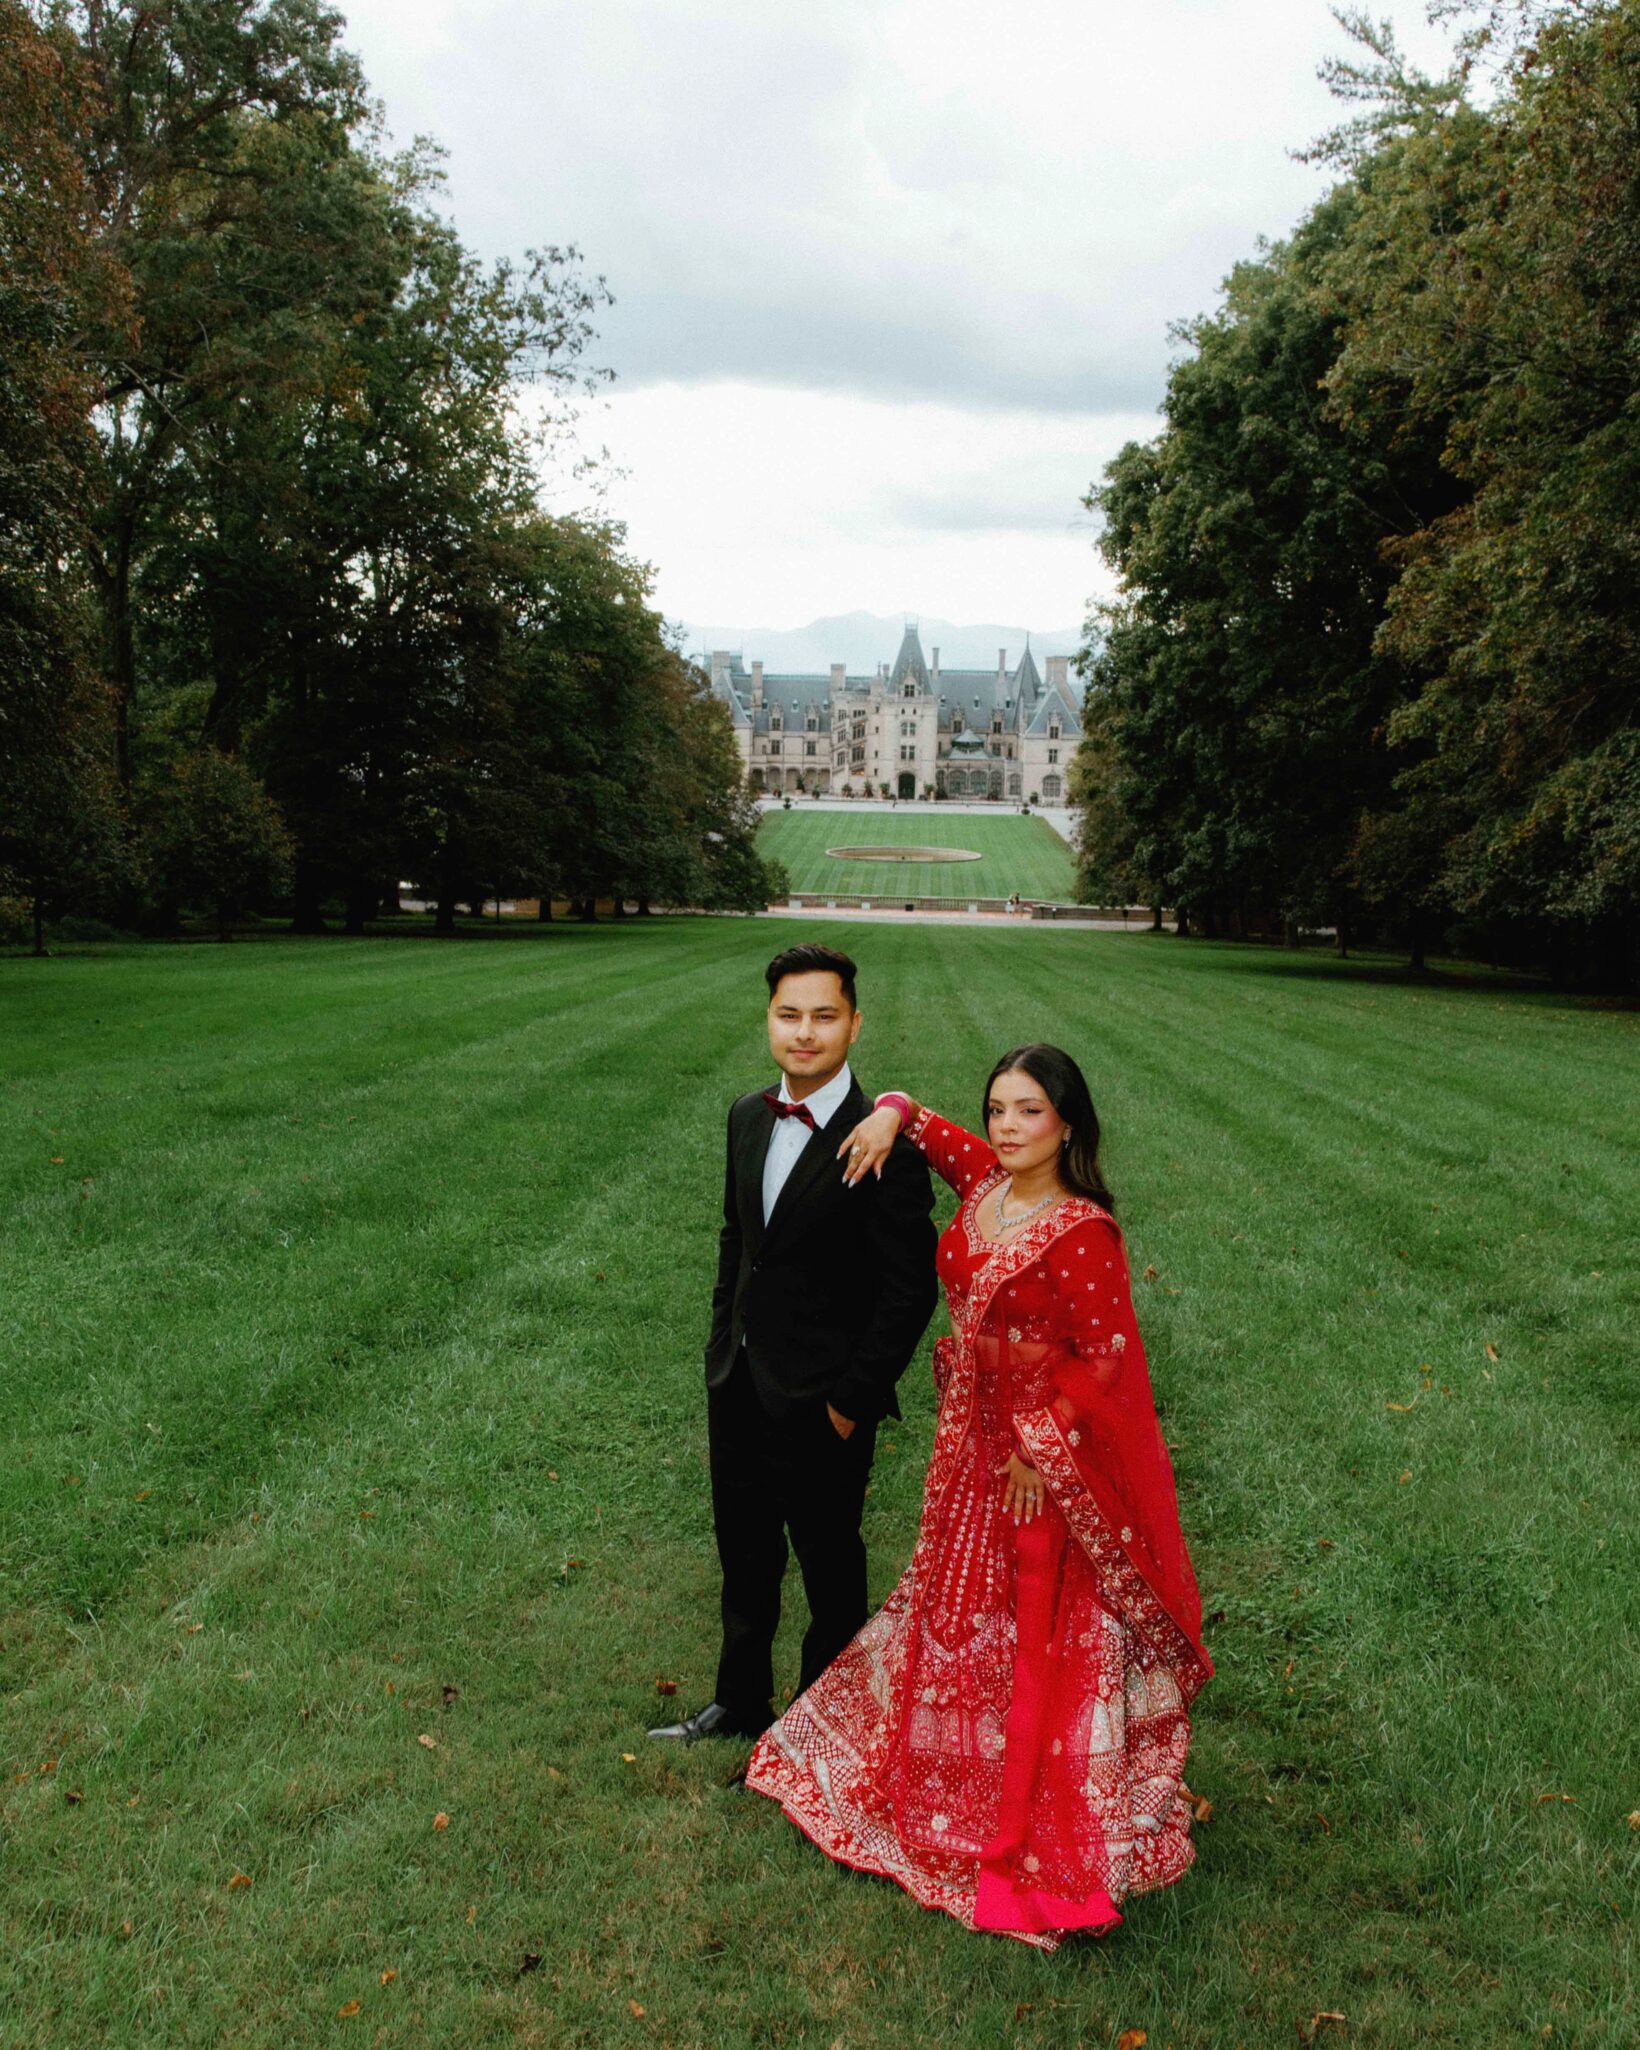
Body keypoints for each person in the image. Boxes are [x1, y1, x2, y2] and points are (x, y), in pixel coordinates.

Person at [745, 1047, 1212, 1948]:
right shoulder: (989, 1183)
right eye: (997, 1108)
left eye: (1029, 1111)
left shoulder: (1081, 1232)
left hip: (1039, 1468)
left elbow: (1105, 1357)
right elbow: (917, 1117)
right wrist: (889, 1112)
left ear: (1067, 1125)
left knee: (1028, 1623)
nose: (1006, 1126)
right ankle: (939, 1771)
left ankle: (1017, 1792)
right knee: (955, 1604)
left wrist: (1039, 1447)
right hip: (970, 1442)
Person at [650, 944, 938, 1745]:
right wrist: (722, 1345)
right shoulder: (746, 1115)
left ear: (854, 1024)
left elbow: (908, 1292)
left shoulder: (884, 1145)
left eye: (823, 1016)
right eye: (788, 1015)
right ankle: (738, 1702)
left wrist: (852, 1400)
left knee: (828, 1563)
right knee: (744, 1553)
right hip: (739, 1380)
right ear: (768, 1020)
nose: (804, 1032)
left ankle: (819, 1728)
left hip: (824, 1400)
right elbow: (737, 1240)